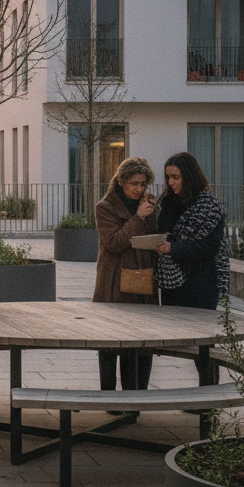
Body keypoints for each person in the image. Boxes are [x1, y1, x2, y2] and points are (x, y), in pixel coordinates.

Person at [156, 151, 230, 390]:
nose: (171, 182)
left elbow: (209, 247)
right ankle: (202, 397)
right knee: (183, 343)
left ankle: (208, 400)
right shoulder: (166, 202)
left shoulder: (207, 204)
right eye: (168, 177)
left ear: (189, 176)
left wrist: (174, 247)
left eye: (176, 177)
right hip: (173, 281)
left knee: (204, 346)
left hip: (201, 282)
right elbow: (164, 231)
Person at [93, 157, 159, 401]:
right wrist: (138, 218)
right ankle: (109, 398)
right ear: (120, 181)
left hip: (143, 281)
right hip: (114, 284)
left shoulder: (148, 205)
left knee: (142, 344)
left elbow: (151, 238)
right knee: (111, 344)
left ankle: (137, 397)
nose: (138, 189)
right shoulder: (105, 207)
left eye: (143, 184)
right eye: (133, 183)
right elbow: (115, 243)